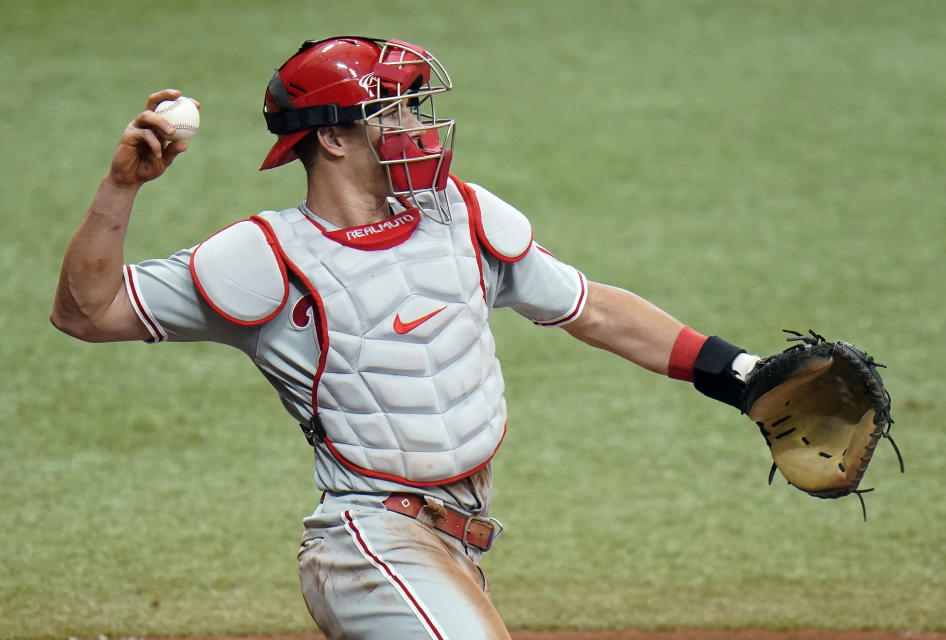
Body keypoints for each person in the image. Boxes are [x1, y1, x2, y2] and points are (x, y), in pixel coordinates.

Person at [51, 37, 760, 640]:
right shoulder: (268, 258)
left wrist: (738, 371)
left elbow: (591, 308)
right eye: (392, 111)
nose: (417, 127)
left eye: (415, 108)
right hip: (366, 544)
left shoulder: (461, 217)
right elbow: (88, 313)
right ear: (331, 136)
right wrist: (122, 187)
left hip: (462, 539)